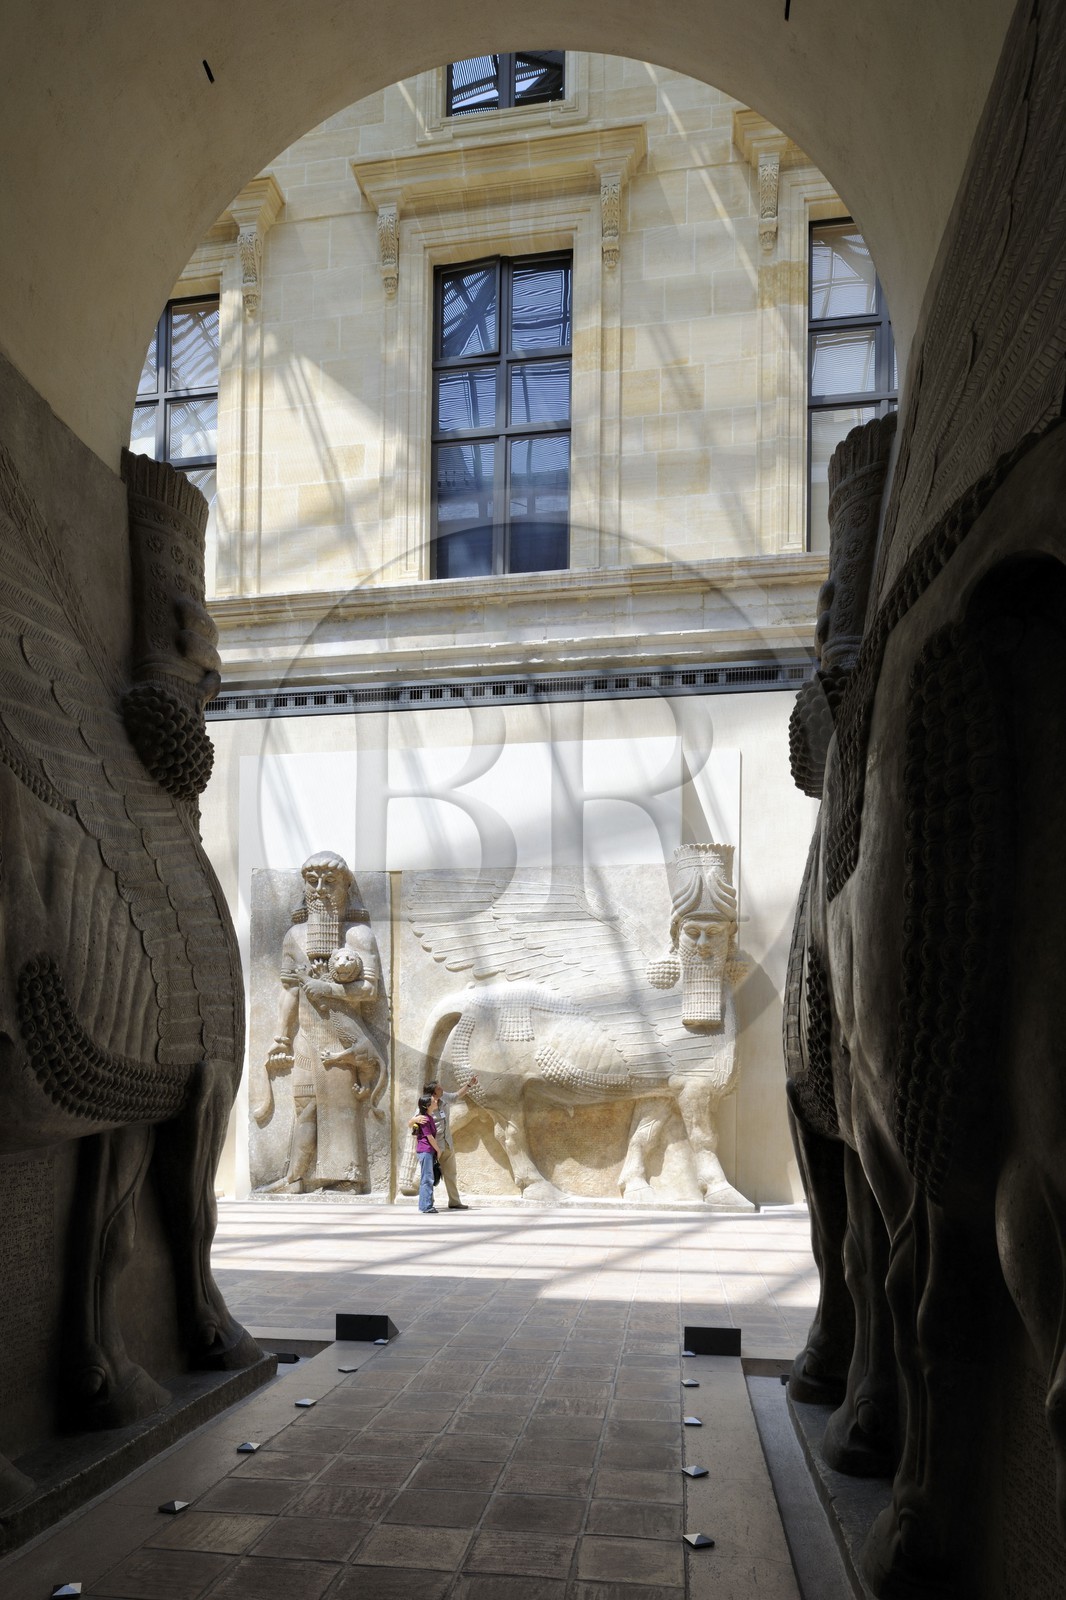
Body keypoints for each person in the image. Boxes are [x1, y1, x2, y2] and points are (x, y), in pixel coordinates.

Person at [424, 1077, 478, 1210]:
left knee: (451, 1174)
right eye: (438, 1088)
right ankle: (428, 1203)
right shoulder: (425, 1103)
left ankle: (454, 1201)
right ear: (433, 1093)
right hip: (434, 1146)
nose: (441, 1088)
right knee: (430, 1175)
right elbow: (416, 1120)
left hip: (447, 1143)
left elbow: (456, 1096)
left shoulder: (444, 1098)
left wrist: (469, 1085)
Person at [409, 1094, 442, 1214]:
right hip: (426, 1150)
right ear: (427, 1105)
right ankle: (426, 1206)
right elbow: (429, 1137)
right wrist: (438, 1150)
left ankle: (426, 1205)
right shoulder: (425, 1119)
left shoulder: (428, 1117)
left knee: (428, 1177)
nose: (436, 1101)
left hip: (427, 1151)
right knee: (427, 1178)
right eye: (433, 1101)